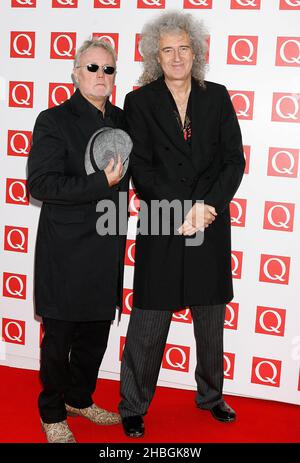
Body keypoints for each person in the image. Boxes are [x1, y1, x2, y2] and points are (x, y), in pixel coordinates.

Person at [119, 11, 245, 438]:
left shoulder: (218, 96)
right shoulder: (137, 102)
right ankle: (133, 405)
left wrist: (205, 207)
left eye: (183, 48)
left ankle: (212, 396)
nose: (176, 56)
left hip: (210, 222)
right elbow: (141, 167)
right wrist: (182, 210)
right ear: (157, 55)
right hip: (162, 222)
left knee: (210, 320)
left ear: (197, 52)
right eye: (168, 49)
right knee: (149, 320)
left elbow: (233, 161)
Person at [28, 39, 128, 443]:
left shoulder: (122, 120)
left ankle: (79, 398)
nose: (101, 76)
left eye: (108, 69)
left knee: (95, 334)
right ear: (75, 72)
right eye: (92, 68)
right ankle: (52, 412)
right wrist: (98, 182)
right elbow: (41, 184)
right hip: (67, 251)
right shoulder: (53, 120)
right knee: (60, 338)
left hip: (107, 246)